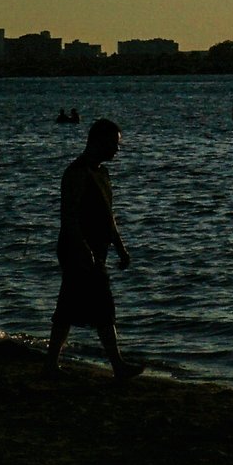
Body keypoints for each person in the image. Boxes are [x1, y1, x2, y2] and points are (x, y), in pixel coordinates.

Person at [47, 118, 143, 380]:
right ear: (98, 142)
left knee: (70, 307)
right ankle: (118, 366)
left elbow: (108, 216)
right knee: (100, 307)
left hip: (96, 251)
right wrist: (83, 249)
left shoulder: (102, 173)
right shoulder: (77, 173)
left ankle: (51, 364)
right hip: (78, 251)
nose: (117, 149)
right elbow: (69, 217)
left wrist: (120, 247)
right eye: (113, 144)